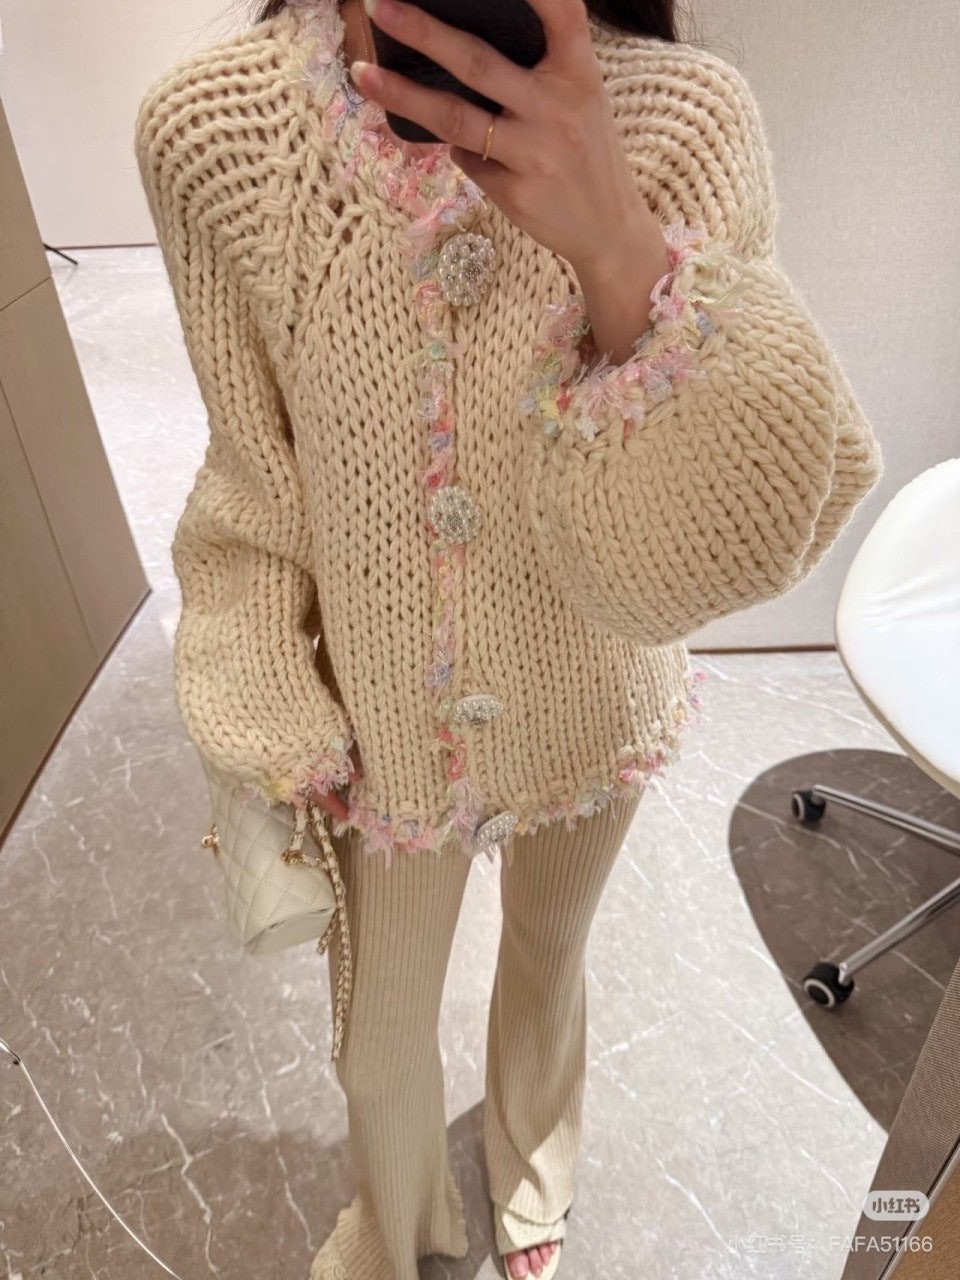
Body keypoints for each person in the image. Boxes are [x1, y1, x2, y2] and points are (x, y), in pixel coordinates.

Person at [133, 0, 883, 1274]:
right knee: (379, 1028)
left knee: (548, 951)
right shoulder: (215, 135)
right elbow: (254, 477)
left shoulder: (683, 121)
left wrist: (620, 248)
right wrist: (262, 698)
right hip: (381, 721)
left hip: (595, 681)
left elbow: (745, 518)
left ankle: (535, 1165)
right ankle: (399, 1221)